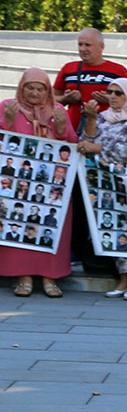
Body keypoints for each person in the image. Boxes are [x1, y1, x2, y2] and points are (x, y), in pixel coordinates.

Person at [76, 79, 127, 300]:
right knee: (115, 230)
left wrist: (98, 148)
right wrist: (91, 119)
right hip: (108, 186)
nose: (112, 96)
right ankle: (123, 277)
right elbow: (85, 142)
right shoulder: (104, 117)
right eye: (110, 92)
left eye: (118, 93)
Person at [0, 69, 79, 298]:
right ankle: (22, 276)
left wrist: (62, 129)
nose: (34, 93)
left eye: (40, 88)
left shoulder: (57, 110)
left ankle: (50, 277)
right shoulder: (7, 106)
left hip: (52, 185)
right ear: (21, 88)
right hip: (16, 183)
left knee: (52, 227)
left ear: (48, 91)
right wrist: (7, 122)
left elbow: (72, 144)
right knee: (17, 222)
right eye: (30, 88)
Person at [52, 28, 127, 135]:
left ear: (101, 46)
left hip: (107, 134)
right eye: (80, 44)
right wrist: (65, 99)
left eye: (88, 45)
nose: (82, 49)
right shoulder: (68, 69)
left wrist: (111, 99)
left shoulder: (118, 71)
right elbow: (51, 99)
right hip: (72, 131)